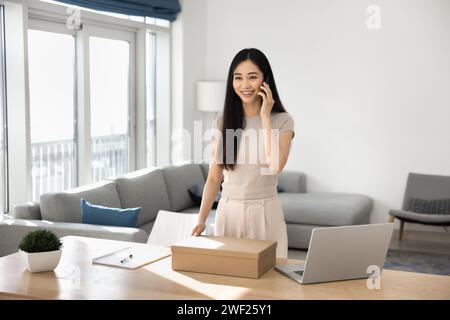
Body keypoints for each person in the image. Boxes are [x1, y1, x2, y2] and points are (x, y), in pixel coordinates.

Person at [191, 48, 295, 258]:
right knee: (230, 281)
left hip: (266, 212)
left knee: (270, 283)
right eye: (238, 78)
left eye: (252, 77)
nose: (245, 85)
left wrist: (265, 117)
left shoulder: (282, 120)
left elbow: (275, 166)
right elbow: (213, 177)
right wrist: (201, 221)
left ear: (265, 80)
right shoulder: (223, 122)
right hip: (229, 212)